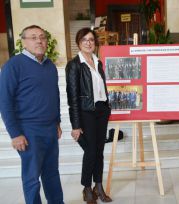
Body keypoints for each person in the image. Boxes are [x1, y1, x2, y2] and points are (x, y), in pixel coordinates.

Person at [0, 25, 64, 203]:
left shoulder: (49, 65)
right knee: (32, 178)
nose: (39, 40)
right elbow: (4, 102)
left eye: (42, 37)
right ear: (24, 42)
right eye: (33, 37)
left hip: (50, 128)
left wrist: (57, 122)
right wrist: (15, 134)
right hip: (28, 131)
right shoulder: (13, 66)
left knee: (52, 173)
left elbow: (55, 95)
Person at [65, 27, 112, 204]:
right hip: (86, 112)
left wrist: (107, 107)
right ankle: (86, 188)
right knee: (91, 151)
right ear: (78, 43)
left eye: (91, 39)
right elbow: (73, 98)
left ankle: (98, 186)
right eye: (84, 39)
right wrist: (76, 125)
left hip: (101, 111)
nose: (88, 42)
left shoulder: (97, 62)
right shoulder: (74, 65)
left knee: (99, 150)